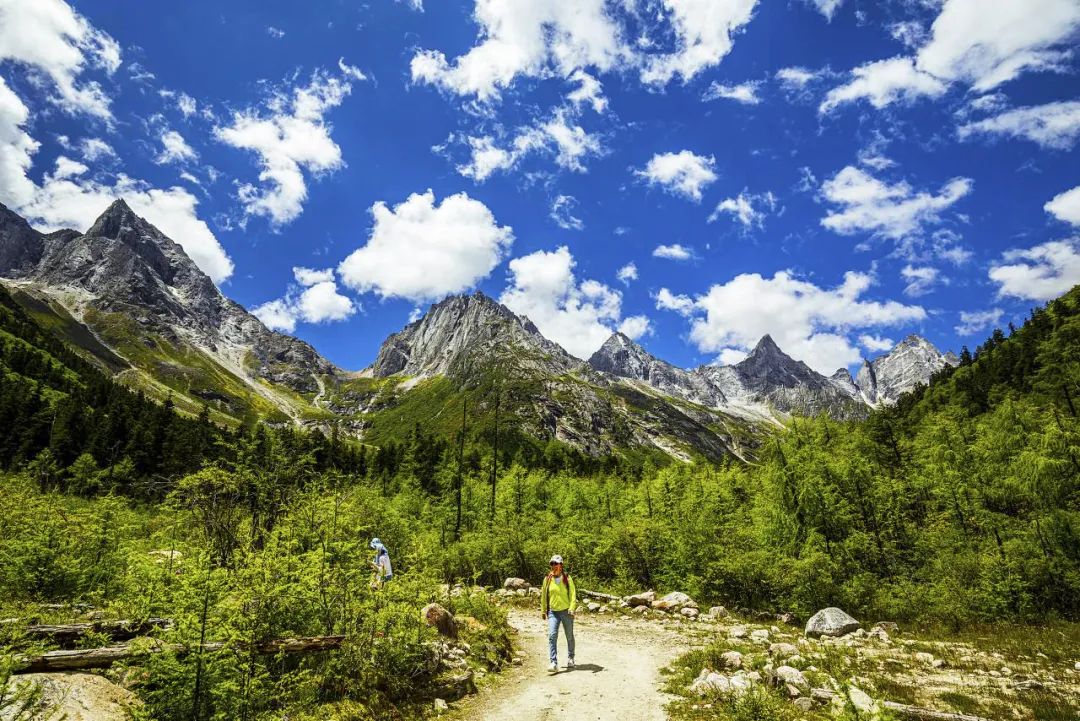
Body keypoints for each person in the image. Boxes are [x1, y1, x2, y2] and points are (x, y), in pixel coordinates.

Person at [541, 554, 576, 672]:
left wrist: (572, 608)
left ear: (561, 565)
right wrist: (543, 610)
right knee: (552, 636)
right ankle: (553, 662)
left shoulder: (567, 578)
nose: (553, 566)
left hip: (566, 611)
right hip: (553, 612)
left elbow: (572, 594)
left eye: (556, 563)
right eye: (552, 564)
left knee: (569, 636)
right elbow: (544, 595)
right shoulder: (547, 579)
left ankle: (571, 658)